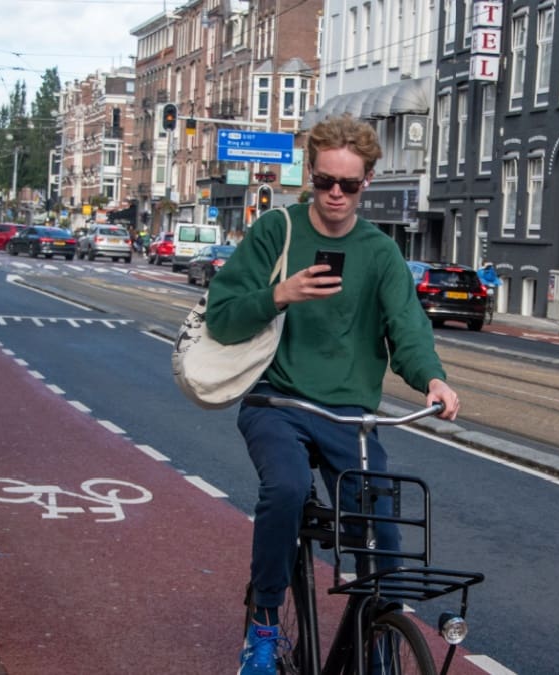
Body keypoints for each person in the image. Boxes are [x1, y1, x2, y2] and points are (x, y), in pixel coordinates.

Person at [205, 114, 460, 675]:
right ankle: (265, 626)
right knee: (288, 488)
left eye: (349, 183)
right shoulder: (278, 231)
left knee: (384, 528)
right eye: (324, 182)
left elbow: (408, 329)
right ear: (311, 178)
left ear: (367, 180)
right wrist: (280, 294)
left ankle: (383, 639)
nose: (336, 195)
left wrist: (432, 378)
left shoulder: (380, 253)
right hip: (277, 401)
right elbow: (221, 318)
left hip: (348, 414)